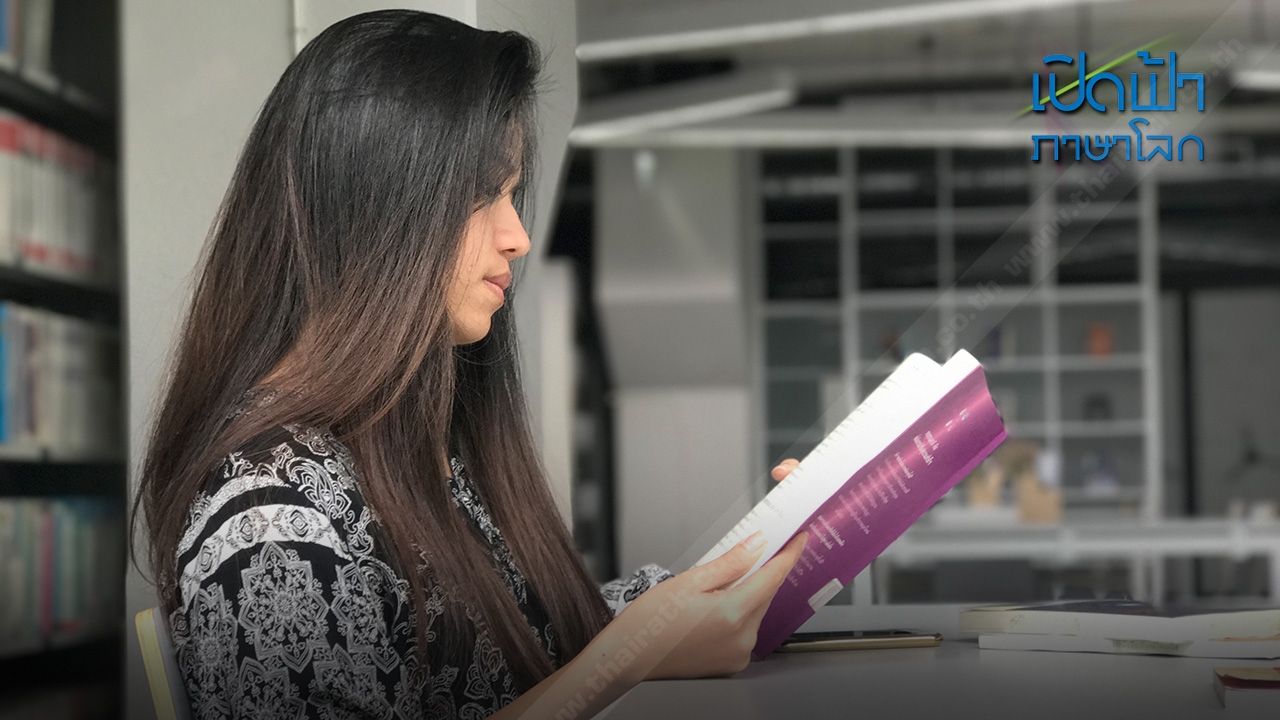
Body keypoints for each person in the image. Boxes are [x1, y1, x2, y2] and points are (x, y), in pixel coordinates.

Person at [133, 10, 806, 720]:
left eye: (511, 194)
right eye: (482, 195)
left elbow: (526, 649)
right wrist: (628, 655)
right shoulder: (274, 523)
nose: (517, 236)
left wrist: (747, 564)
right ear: (373, 205)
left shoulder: (402, 449)